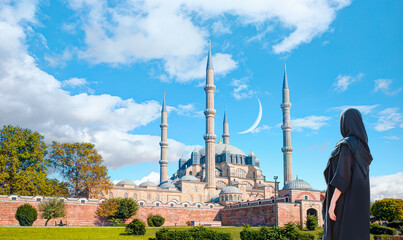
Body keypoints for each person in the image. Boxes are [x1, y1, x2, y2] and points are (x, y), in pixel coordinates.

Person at [322, 108, 373, 239]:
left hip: (344, 201)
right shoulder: (363, 148)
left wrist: (332, 203)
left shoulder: (347, 145)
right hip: (360, 205)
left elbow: (342, 177)